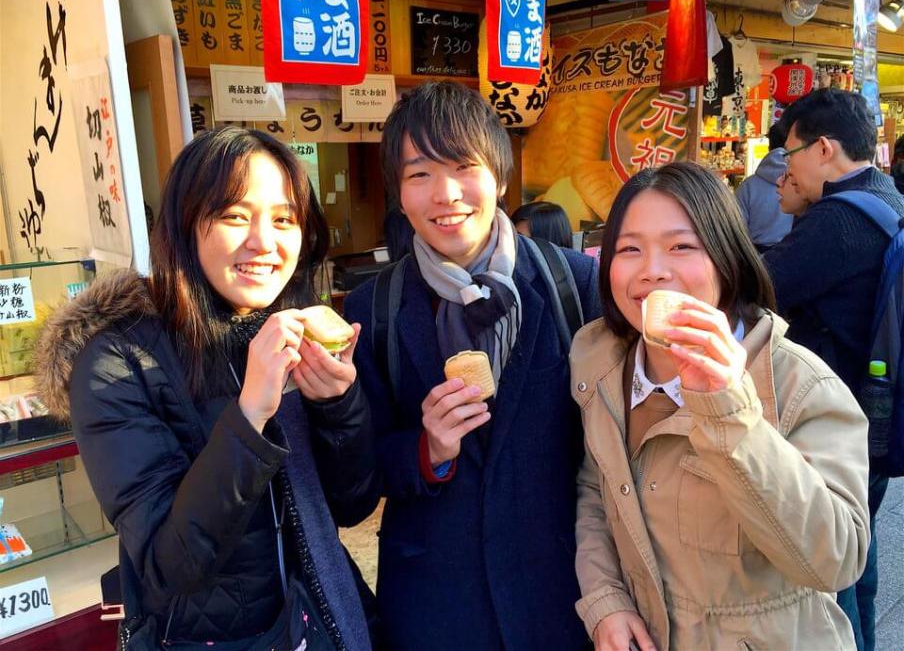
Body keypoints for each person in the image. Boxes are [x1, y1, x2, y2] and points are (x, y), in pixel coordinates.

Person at [33, 127, 378, 650]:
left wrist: (337, 405)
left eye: (284, 219)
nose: (264, 242)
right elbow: (169, 566)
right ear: (185, 223)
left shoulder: (285, 329)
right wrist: (249, 417)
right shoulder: (116, 364)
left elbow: (351, 507)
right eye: (236, 216)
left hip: (320, 618)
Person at [343, 80, 602, 651]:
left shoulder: (574, 286)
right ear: (399, 193)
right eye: (419, 175)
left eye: (464, 166)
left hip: (560, 593)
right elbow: (359, 472)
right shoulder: (375, 308)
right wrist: (426, 451)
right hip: (437, 601)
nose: (446, 194)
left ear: (500, 177)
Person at [571, 161, 869, 651]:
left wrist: (729, 408)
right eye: (629, 249)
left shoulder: (799, 383)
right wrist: (605, 600)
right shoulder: (599, 361)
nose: (653, 271)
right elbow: (595, 489)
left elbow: (834, 560)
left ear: (727, 256)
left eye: (681, 246)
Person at [763, 88, 904, 651]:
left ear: (823, 148)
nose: (787, 168)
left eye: (790, 154)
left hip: (834, 417)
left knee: (831, 560)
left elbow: (760, 287)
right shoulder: (888, 196)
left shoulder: (837, 220)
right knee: (859, 552)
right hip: (875, 405)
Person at [734, 123, 793, 251]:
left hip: (754, 256)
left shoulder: (748, 186)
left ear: (769, 145)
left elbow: (736, 229)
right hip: (792, 252)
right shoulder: (802, 184)